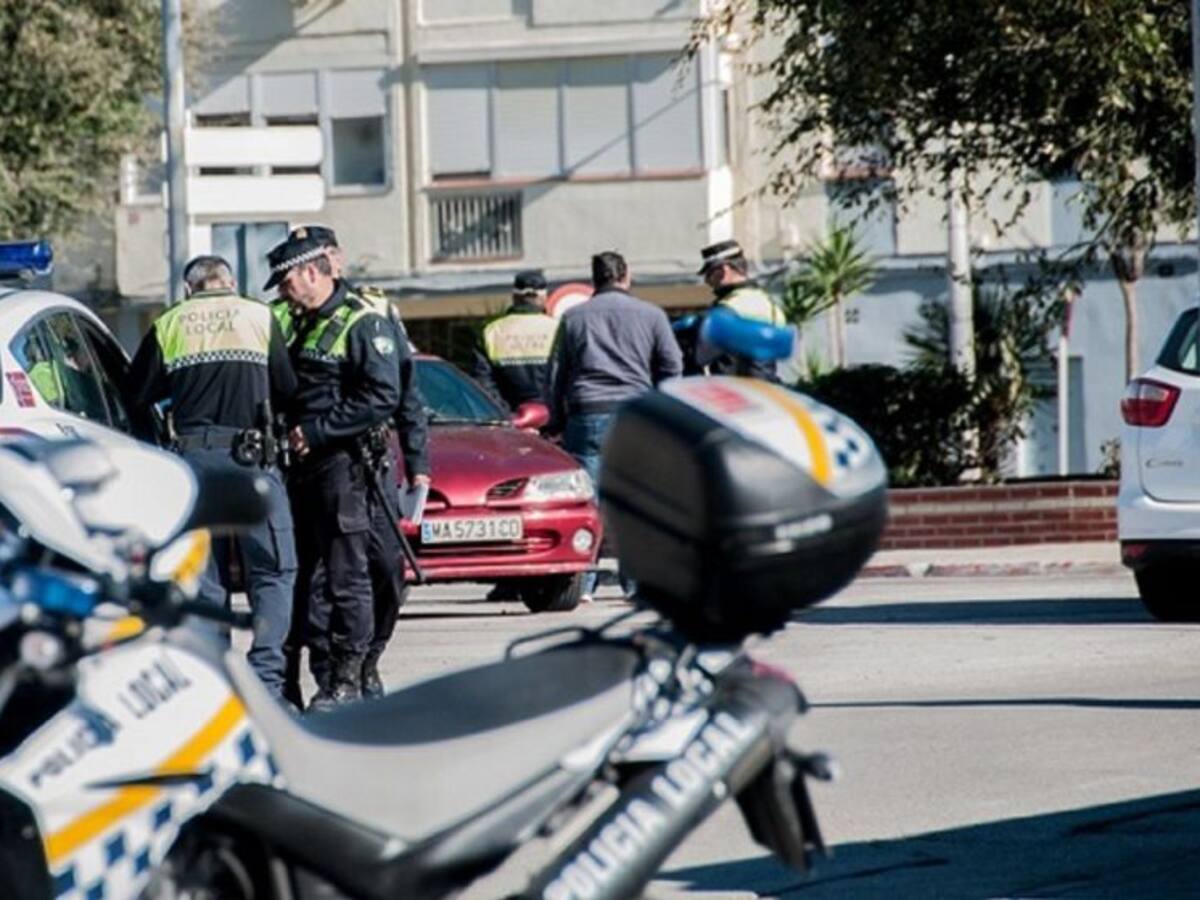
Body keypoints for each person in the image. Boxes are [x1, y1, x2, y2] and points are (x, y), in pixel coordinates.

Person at [124, 255, 298, 702]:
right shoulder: (258, 316)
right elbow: (285, 386)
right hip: (253, 458)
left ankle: (219, 685)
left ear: (189, 289)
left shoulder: (170, 323)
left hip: (194, 462)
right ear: (231, 282)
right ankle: (266, 682)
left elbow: (136, 393)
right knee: (273, 570)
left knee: (206, 575)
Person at [265, 227, 401, 710]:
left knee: (349, 576)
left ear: (310, 271)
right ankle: (314, 675)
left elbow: (384, 395)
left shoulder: (362, 321)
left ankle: (349, 676)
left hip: (343, 466)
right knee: (304, 578)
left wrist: (318, 432)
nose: (282, 292)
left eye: (285, 282)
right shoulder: (294, 320)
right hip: (299, 468)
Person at [298, 225, 432, 699]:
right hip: (326, 468)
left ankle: (369, 659)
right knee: (328, 579)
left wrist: (417, 460)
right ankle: (336, 676)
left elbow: (405, 390)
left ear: (336, 259)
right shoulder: (292, 314)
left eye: (328, 255)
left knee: (388, 571)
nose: (326, 265)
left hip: (373, 464)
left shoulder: (374, 311)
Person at [548, 251, 682, 600]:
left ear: (595, 280)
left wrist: (558, 420)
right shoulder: (651, 315)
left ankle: (586, 583)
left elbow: (558, 374)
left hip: (586, 415)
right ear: (627, 275)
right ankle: (635, 585)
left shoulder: (574, 318)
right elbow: (672, 365)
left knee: (587, 504)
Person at [694, 239, 786, 381]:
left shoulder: (727, 308)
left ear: (723, 271)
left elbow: (699, 356)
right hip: (767, 393)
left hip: (735, 395)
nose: (707, 281)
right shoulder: (768, 303)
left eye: (709, 273)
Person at [471, 269, 558, 411]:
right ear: (543, 298)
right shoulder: (558, 329)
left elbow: (483, 384)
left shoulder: (490, 332)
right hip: (554, 420)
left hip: (511, 421)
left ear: (514, 297)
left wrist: (507, 415)